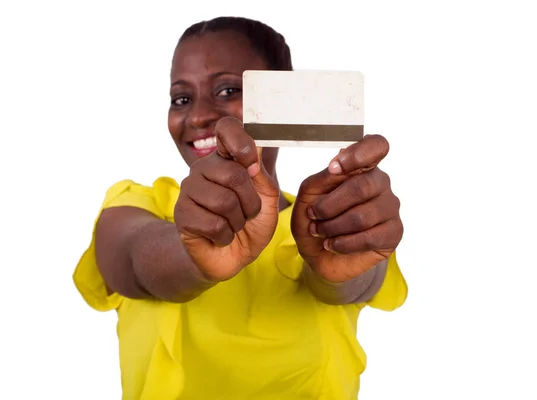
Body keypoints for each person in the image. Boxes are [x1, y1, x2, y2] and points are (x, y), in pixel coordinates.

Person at [73, 16, 408, 400]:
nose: (197, 116)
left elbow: (359, 281)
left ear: (287, 98)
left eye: (228, 89)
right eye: (181, 99)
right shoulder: (135, 205)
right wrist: (194, 253)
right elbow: (134, 258)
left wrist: (339, 257)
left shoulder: (334, 215)